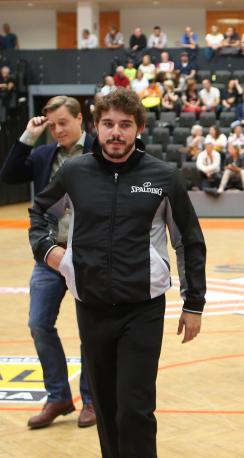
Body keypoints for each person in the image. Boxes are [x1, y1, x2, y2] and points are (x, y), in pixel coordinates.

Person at [28, 89, 206, 458]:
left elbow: (188, 241)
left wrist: (194, 303)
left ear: (139, 128)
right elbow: (40, 213)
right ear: (96, 126)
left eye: (125, 125)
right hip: (91, 307)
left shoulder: (163, 177)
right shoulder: (75, 173)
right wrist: (51, 252)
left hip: (143, 309)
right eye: (108, 124)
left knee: (134, 410)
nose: (115, 132)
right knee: (107, 409)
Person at [0, 96, 96, 429]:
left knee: (91, 329)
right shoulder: (43, 155)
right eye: (52, 125)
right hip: (49, 254)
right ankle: (58, 396)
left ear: (79, 119)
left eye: (63, 123)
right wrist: (29, 135)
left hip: (90, 257)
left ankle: (92, 400)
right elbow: (9, 174)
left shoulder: (99, 151)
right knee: (39, 323)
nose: (57, 130)